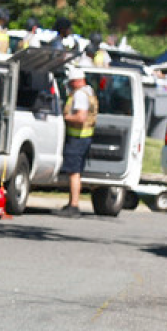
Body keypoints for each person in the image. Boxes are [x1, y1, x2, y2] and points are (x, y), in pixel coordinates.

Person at [57, 67, 99, 218]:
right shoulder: (89, 91)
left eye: (71, 83)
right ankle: (71, 203)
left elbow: (80, 117)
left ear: (76, 81)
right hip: (84, 137)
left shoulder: (80, 95)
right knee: (76, 172)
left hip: (77, 138)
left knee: (74, 173)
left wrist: (65, 117)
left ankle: (73, 206)